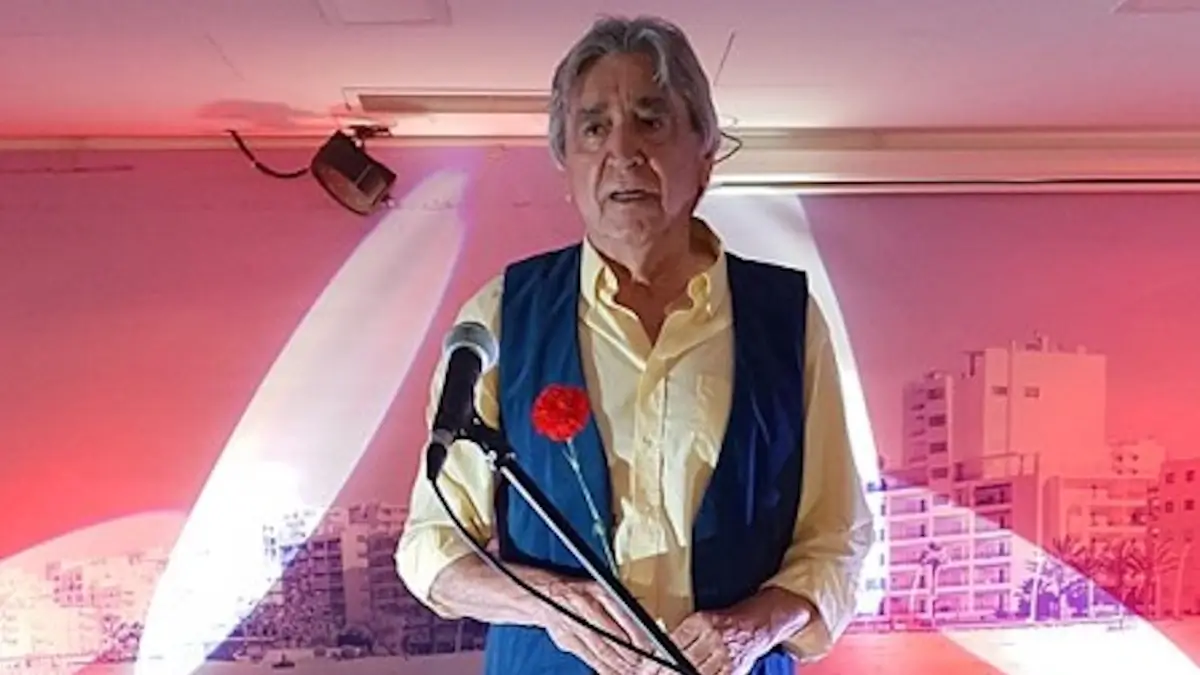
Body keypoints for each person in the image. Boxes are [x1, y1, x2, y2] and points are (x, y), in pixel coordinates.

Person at [396, 14, 875, 675]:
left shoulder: (787, 319)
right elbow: (433, 545)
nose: (622, 151)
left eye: (651, 122)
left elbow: (836, 541)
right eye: (594, 128)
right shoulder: (503, 314)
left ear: (705, 154)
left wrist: (754, 627)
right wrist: (553, 603)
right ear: (566, 166)